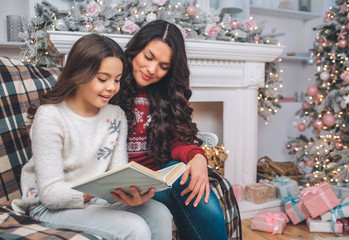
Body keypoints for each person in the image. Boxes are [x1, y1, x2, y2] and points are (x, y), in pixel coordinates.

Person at [11, 33, 173, 240]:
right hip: (48, 206)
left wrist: (130, 194)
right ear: (79, 74)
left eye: (117, 80)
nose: (112, 88)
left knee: (159, 213)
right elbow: (50, 194)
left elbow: (117, 173)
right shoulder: (50, 116)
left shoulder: (116, 115)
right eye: (103, 79)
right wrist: (98, 191)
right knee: (135, 228)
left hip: (96, 199)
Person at [118, 20, 229, 240]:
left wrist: (198, 158)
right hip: (121, 179)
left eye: (164, 66)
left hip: (158, 178)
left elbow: (180, 141)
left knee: (194, 185)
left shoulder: (168, 93)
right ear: (135, 50)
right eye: (148, 57)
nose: (152, 70)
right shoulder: (111, 82)